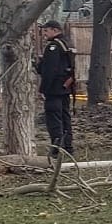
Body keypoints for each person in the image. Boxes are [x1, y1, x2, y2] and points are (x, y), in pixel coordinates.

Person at [35, 20, 76, 156]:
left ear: (54, 30)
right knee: (65, 117)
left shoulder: (53, 46)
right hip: (66, 86)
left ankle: (57, 149)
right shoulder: (67, 43)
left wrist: (43, 89)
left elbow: (49, 70)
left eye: (46, 31)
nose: (44, 34)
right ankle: (68, 146)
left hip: (54, 88)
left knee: (54, 119)